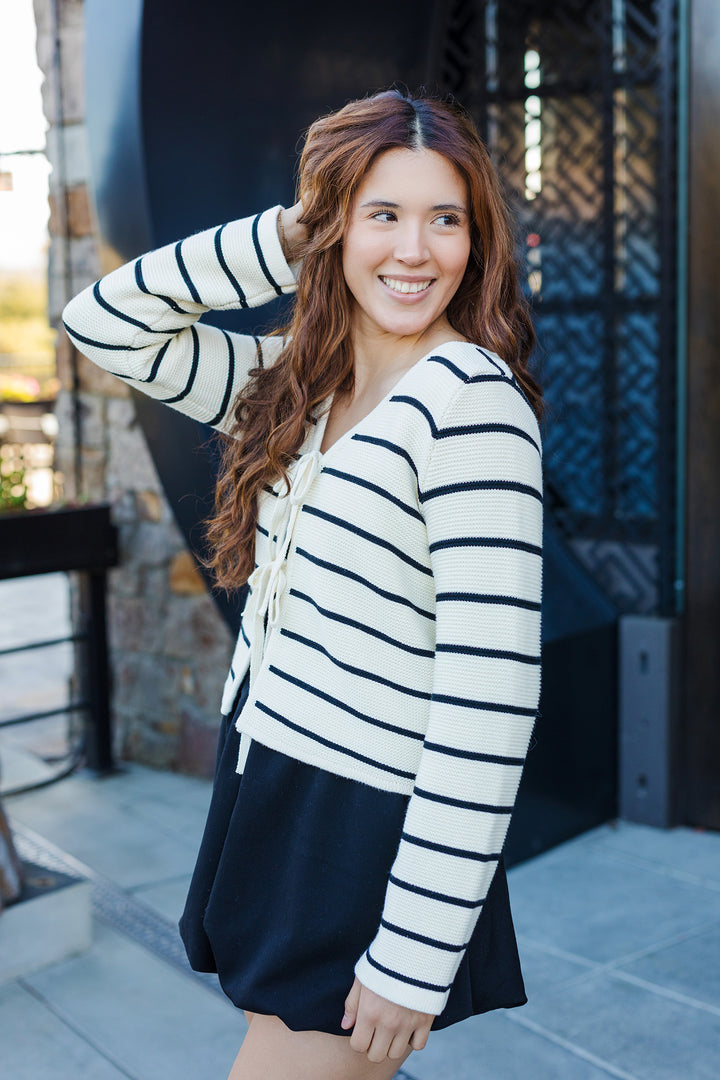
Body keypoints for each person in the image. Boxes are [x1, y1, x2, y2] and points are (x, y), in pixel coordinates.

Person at [63, 88, 543, 1080]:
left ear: (476, 237)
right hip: (278, 777)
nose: (416, 251)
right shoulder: (291, 386)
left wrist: (417, 952)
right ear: (334, 227)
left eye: (444, 219)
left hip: (367, 819)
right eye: (384, 214)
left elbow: (489, 701)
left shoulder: (472, 406)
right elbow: (103, 319)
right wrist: (289, 232)